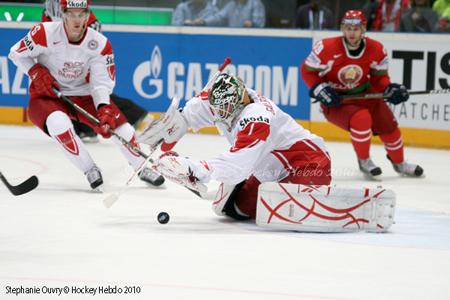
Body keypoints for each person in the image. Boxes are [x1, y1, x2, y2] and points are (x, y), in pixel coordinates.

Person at [8, 0, 164, 190]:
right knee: (59, 124)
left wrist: (104, 107)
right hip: (48, 95)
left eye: (81, 14)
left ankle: (142, 166)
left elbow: (100, 82)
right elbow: (16, 54)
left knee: (123, 129)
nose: (77, 20)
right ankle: (90, 168)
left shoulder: (99, 43)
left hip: (83, 95)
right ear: (63, 14)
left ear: (88, 15)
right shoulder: (44, 32)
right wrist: (34, 70)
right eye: (71, 14)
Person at [139, 73, 331, 220]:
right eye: (217, 108)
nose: (221, 114)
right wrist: (179, 121)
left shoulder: (257, 118)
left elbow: (239, 164)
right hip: (273, 161)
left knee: (292, 209)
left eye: (226, 109)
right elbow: (200, 108)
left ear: (241, 98)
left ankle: (315, 192)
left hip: (307, 159)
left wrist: (196, 168)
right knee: (237, 208)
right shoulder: (223, 101)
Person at [300, 10, 424, 179]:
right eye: (348, 28)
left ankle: (400, 163)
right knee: (361, 118)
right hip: (338, 100)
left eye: (356, 28)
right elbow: (307, 71)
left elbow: (379, 78)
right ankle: (364, 160)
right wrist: (320, 89)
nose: (352, 32)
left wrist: (389, 89)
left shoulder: (376, 49)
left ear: (363, 29)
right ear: (343, 28)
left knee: (390, 126)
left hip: (366, 95)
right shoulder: (326, 47)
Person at [42, 0, 148, 143]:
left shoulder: (79, 12)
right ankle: (87, 129)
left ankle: (134, 114)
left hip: (83, 55)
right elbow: (47, 32)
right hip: (65, 55)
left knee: (90, 92)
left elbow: (90, 33)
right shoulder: (48, 8)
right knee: (70, 92)